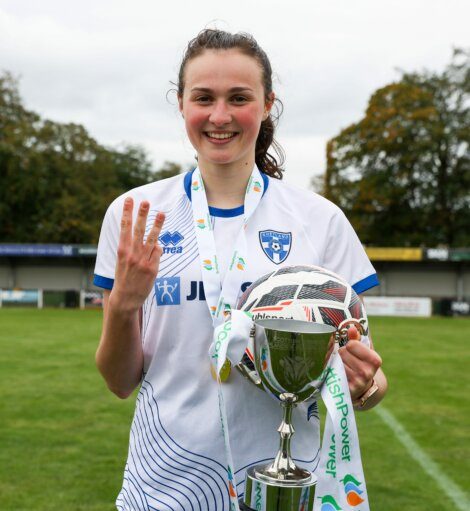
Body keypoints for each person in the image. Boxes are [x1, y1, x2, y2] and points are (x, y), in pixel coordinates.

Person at [94, 29, 387, 511]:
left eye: (239, 98)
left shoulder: (320, 221)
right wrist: (123, 305)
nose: (220, 116)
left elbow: (369, 384)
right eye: (204, 98)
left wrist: (365, 385)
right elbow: (119, 381)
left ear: (268, 103)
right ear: (181, 103)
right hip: (165, 488)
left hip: (289, 489)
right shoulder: (137, 214)